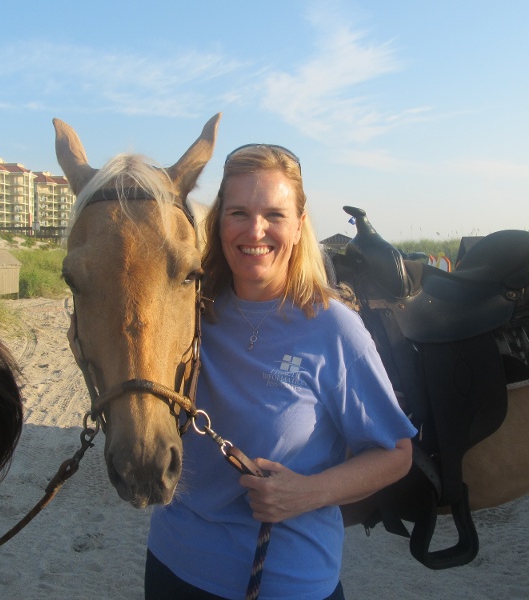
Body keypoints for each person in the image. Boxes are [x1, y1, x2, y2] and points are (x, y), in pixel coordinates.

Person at [146, 143, 417, 600]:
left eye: (274, 214)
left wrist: (309, 493)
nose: (256, 230)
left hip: (283, 580)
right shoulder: (189, 312)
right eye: (238, 213)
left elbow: (396, 454)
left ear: (299, 225)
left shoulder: (332, 328)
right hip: (173, 564)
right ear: (218, 223)